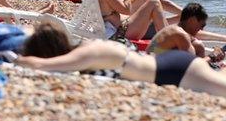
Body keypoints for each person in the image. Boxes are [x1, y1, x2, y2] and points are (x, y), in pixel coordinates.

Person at [17, 21, 226, 98]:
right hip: (171, 67)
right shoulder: (85, 49)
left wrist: (12, 60)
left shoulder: (88, 52)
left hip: (177, 71)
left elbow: (40, 65)